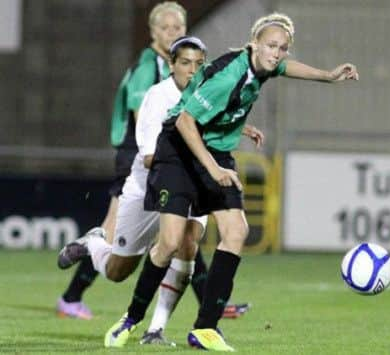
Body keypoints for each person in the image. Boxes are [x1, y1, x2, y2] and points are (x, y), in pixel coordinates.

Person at [99, 12, 358, 352]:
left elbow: (286, 69)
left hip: (214, 152)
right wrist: (214, 169)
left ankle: (205, 328)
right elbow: (186, 122)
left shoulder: (265, 64)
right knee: (170, 243)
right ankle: (131, 318)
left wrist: (328, 75)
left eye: (282, 48)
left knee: (236, 232)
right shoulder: (229, 75)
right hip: (179, 152)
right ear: (254, 45)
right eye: (271, 46)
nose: (277, 54)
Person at [55, 1, 248, 322]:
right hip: (141, 158)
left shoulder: (186, 69)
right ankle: (75, 288)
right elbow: (147, 122)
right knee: (119, 245)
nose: (173, 32)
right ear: (153, 32)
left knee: (184, 238)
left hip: (172, 163)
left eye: (178, 27)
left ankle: (203, 310)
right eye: (166, 28)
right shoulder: (151, 69)